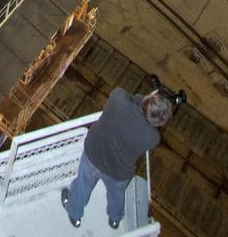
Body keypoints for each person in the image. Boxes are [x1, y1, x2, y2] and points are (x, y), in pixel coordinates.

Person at [61, 86, 174, 229]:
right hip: (118, 172)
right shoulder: (153, 138)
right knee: (117, 196)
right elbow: (145, 119)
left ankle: (74, 213)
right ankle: (114, 220)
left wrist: (149, 97)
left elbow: (133, 99)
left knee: (83, 183)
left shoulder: (118, 99)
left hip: (94, 153)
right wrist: (151, 104)